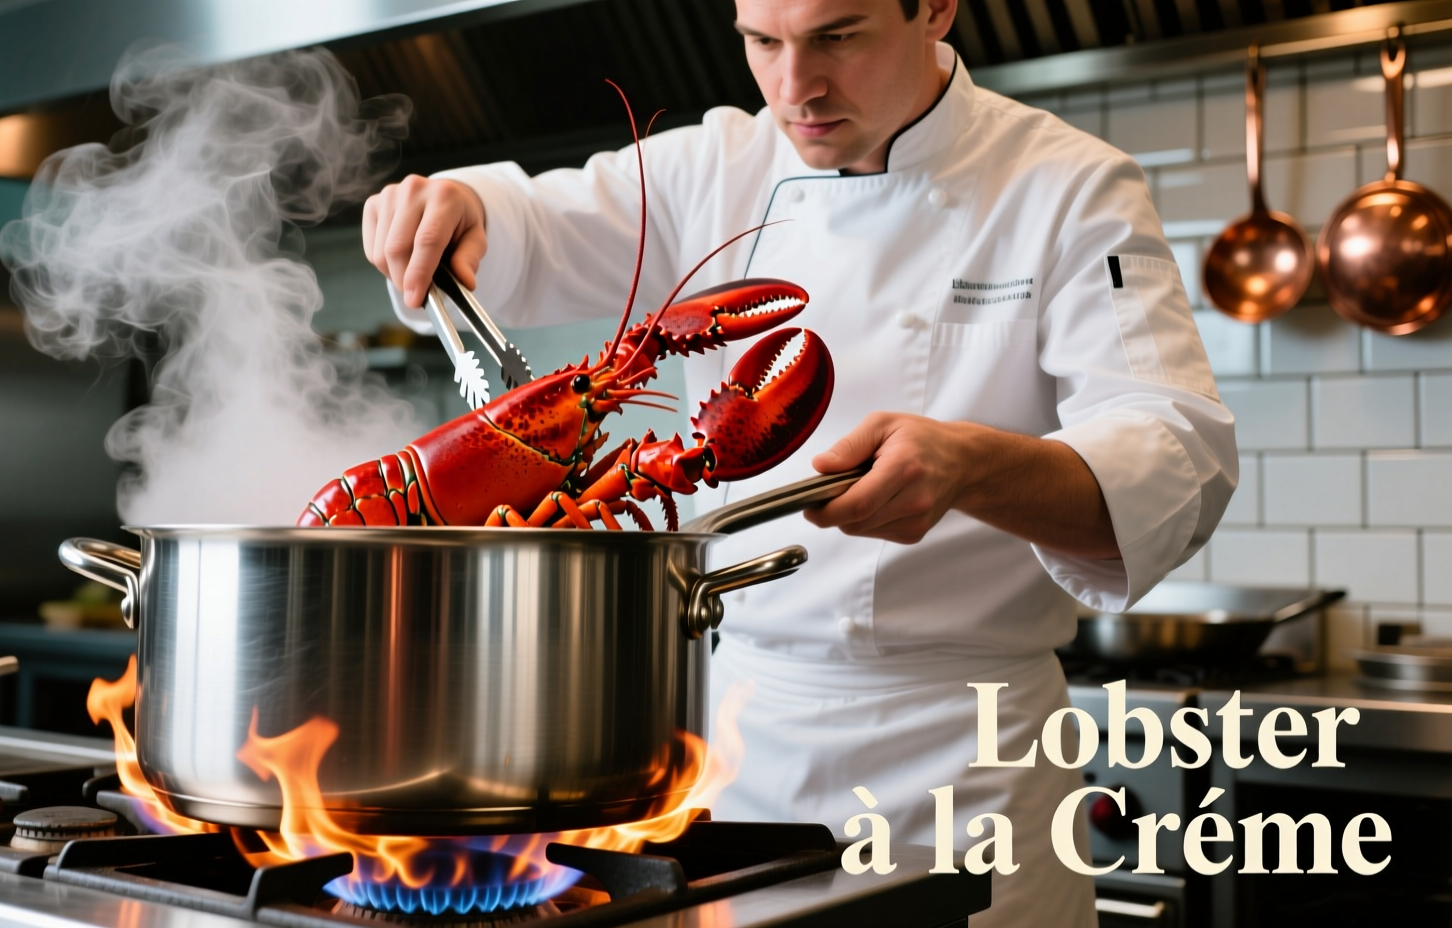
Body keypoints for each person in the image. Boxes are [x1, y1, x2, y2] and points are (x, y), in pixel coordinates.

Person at [362, 0, 1236, 923]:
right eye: (762, 41)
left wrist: (974, 467)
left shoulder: (1067, 186)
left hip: (970, 775)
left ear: (937, 8)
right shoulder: (716, 165)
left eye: (838, 36)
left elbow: (1174, 456)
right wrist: (451, 205)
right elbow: (521, 225)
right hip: (743, 765)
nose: (795, 87)